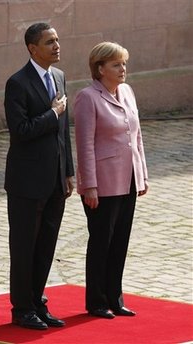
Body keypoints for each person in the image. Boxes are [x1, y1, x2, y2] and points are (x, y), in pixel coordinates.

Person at [4, 22, 74, 330]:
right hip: (26, 182)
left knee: (46, 244)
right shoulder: (17, 83)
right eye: (50, 42)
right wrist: (52, 113)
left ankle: (36, 301)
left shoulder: (58, 77)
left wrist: (68, 172)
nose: (57, 46)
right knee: (24, 246)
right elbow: (21, 131)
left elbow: (63, 133)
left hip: (55, 180)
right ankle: (21, 309)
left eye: (57, 40)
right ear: (33, 49)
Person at [74, 42, 148, 319]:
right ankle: (96, 301)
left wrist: (142, 175)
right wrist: (89, 185)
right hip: (101, 184)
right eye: (116, 64)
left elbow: (136, 136)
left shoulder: (127, 92)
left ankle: (115, 298)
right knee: (101, 241)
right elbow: (85, 146)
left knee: (120, 240)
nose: (123, 69)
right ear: (100, 68)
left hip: (128, 178)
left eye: (124, 63)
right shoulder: (87, 97)